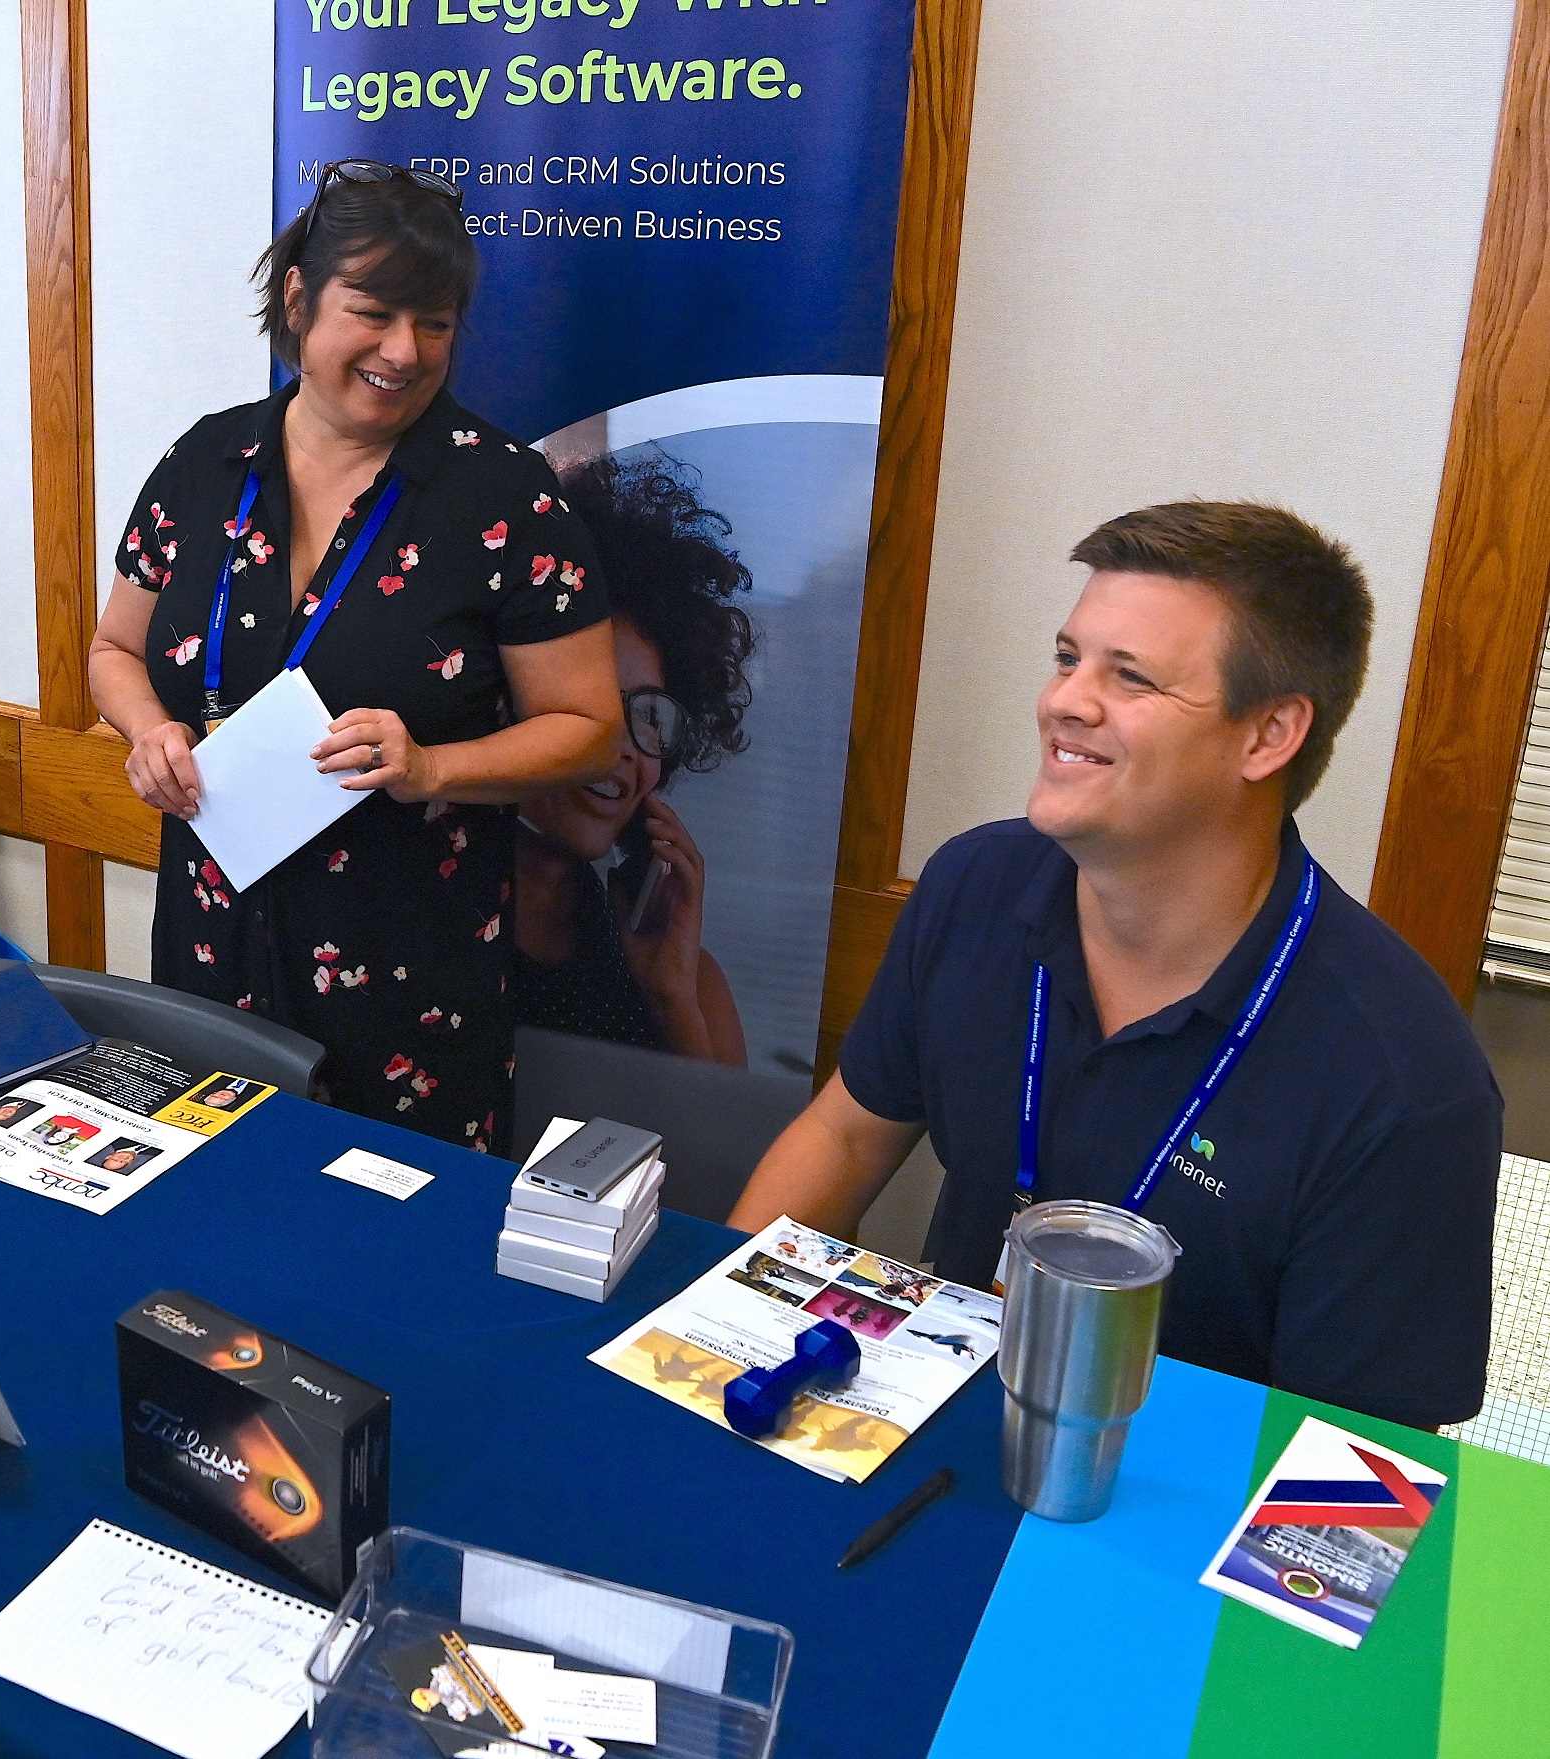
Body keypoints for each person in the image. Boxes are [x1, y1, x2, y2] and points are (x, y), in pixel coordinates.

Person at [730, 501, 1499, 1429]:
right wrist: (720, 1327)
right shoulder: (975, 881)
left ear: (1267, 735)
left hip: (1183, 1492)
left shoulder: (1405, 1081)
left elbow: (1350, 1461)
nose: (1064, 700)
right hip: (929, 1428)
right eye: (1067, 658)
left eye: (1128, 677)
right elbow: (846, 1136)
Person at [91, 161, 622, 1151]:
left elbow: (591, 730)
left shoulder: (506, 497)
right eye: (373, 314)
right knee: (209, 1214)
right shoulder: (204, 462)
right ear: (299, 301)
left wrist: (434, 766)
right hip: (211, 947)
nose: (404, 351)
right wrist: (149, 727)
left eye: (435, 323)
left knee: (388, 1229)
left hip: (410, 983)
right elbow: (114, 647)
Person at [515, 450, 754, 1064]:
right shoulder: (419, 933)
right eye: (591, 703)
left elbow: (718, 1131)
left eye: (649, 712)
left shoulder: (688, 983)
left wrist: (671, 1000)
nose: (620, 744)